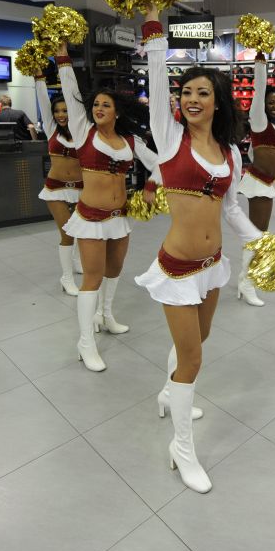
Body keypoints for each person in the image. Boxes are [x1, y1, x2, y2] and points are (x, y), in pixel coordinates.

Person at [133, 6, 264, 494]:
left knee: (198, 343)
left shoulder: (230, 153)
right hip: (177, 267)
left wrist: (260, 239)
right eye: (185, 92)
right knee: (193, 360)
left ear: (217, 101)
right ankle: (181, 448)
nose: (191, 99)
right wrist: (153, 26)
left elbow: (231, 209)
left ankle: (171, 391)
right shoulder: (169, 140)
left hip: (213, 266)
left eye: (201, 93)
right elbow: (157, 71)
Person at [55, 42, 159, 372]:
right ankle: (85, 342)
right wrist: (62, 57)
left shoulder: (131, 142)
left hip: (120, 218)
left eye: (105, 105)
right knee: (92, 278)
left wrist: (151, 186)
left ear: (117, 112)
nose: (99, 108)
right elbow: (71, 93)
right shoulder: (83, 131)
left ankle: (106, 315)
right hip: (90, 218)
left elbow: (161, 164)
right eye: (96, 104)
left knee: (114, 272)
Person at [233, 54, 275, 306]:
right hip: (259, 182)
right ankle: (246, 282)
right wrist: (260, 65)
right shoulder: (259, 120)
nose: (274, 105)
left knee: (258, 233)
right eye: (271, 102)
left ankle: (245, 280)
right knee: (258, 234)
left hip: (267, 183)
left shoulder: (272, 126)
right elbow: (259, 90)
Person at [32, 77, 85, 296]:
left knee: (82, 231)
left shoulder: (82, 131)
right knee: (67, 235)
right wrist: (39, 78)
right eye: (57, 111)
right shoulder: (52, 128)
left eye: (65, 110)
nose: (61, 115)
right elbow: (44, 101)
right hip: (56, 189)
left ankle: (77, 262)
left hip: (82, 189)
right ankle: (66, 278)